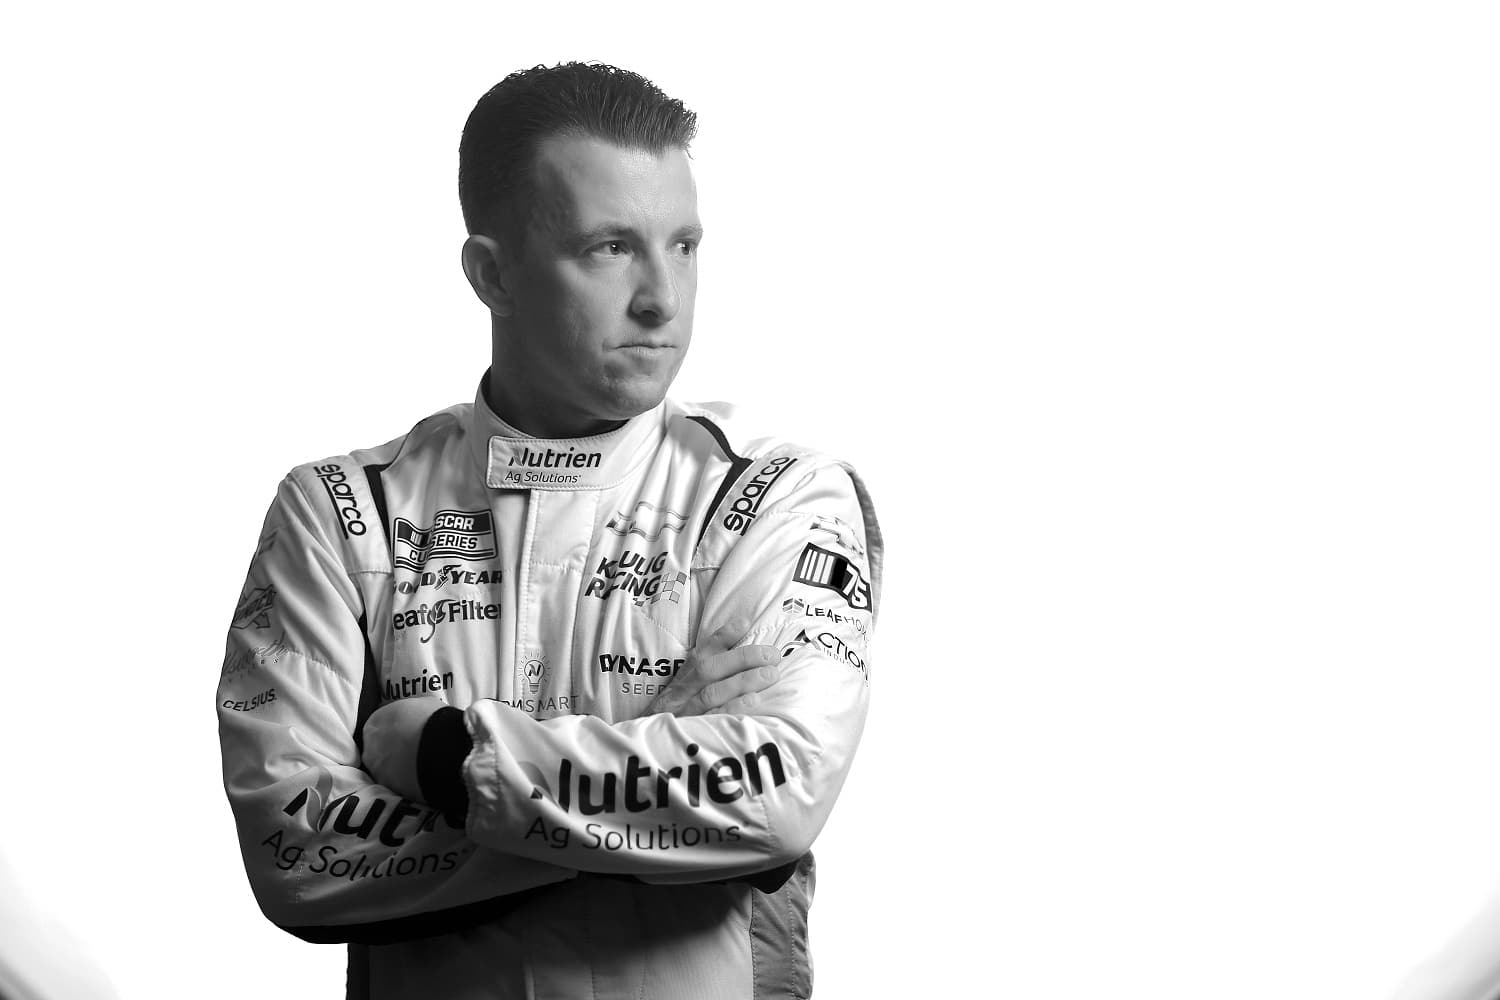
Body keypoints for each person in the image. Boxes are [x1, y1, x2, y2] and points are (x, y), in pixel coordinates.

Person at [217, 62, 882, 1000]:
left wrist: (449, 760)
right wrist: (666, 787)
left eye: (684, 245)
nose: (663, 297)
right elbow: (296, 857)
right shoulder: (338, 515)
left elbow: (777, 799)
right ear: (491, 272)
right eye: (611, 248)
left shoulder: (778, 496)